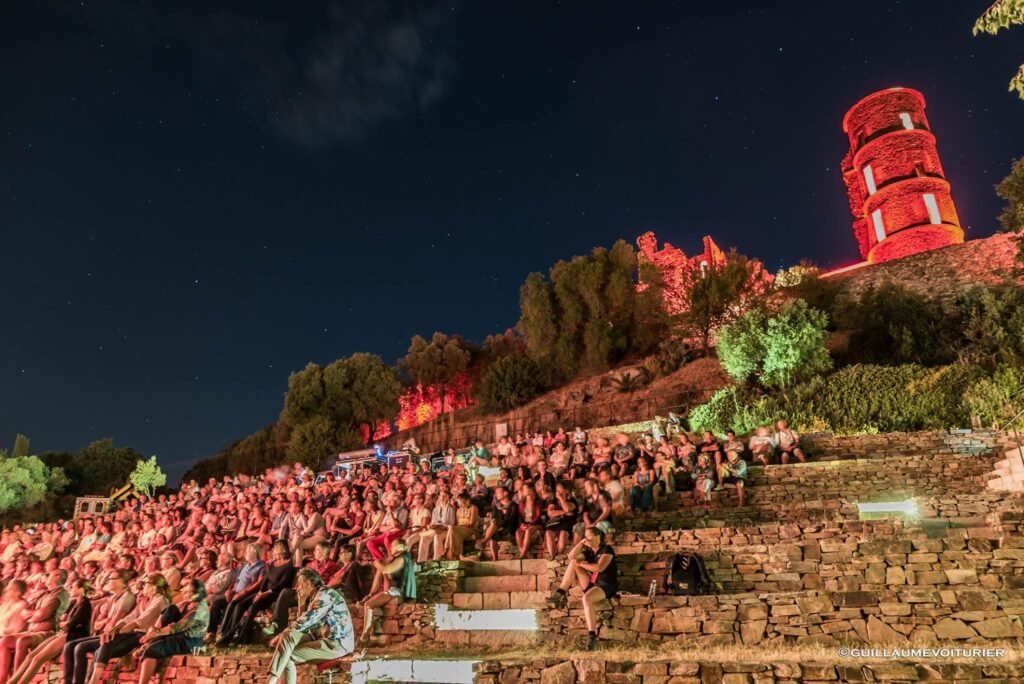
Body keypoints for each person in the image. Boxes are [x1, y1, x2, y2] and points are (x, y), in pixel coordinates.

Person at [266, 568, 354, 684]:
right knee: (288, 639)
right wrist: (301, 603)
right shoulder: (316, 595)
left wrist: (279, 636)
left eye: (299, 584)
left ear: (308, 583)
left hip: (336, 643)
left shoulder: (324, 596)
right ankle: (271, 680)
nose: (297, 587)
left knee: (287, 654)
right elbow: (305, 627)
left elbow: (304, 623)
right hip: (320, 637)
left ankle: (271, 681)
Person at [84, 573, 173, 684]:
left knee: (108, 640)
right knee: (104, 644)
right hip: (135, 633)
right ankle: (90, 680)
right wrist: (115, 628)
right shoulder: (145, 600)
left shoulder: (161, 600)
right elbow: (130, 617)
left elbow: (140, 620)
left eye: (145, 583)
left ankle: (93, 681)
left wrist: (118, 631)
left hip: (147, 636)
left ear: (154, 586)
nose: (142, 586)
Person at [7, 579, 91, 684]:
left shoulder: (85, 604)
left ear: (81, 589)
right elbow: (63, 620)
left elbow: (69, 624)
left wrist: (65, 623)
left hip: (73, 636)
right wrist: (64, 622)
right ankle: (11, 682)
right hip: (63, 633)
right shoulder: (74, 602)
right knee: (31, 656)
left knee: (38, 659)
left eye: (73, 587)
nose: (70, 588)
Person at [546, 527, 617, 650]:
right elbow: (571, 556)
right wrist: (580, 543)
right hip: (593, 584)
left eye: (589, 536)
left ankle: (592, 637)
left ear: (598, 537)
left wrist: (581, 564)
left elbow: (599, 568)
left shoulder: (607, 549)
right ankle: (560, 593)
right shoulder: (589, 552)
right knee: (573, 563)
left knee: (586, 598)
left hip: (606, 585)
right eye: (585, 537)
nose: (587, 539)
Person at [62, 571, 135, 684]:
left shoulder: (128, 597)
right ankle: (67, 681)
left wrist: (104, 623)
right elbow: (97, 623)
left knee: (79, 647)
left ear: (121, 582)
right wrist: (104, 622)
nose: (107, 581)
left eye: (111, 578)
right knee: (69, 645)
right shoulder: (113, 597)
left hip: (116, 636)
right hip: (104, 633)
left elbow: (114, 622)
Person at [218, 540, 295, 646]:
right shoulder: (273, 563)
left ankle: (242, 639)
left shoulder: (289, 565)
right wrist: (260, 592)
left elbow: (282, 585)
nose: (273, 550)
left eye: (276, 548)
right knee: (240, 605)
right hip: (264, 592)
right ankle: (229, 634)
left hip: (275, 593)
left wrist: (264, 593)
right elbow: (265, 581)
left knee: (252, 608)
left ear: (282, 549)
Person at [135, 579, 210, 684]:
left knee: (151, 650)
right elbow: (168, 614)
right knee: (171, 608)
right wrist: (153, 630)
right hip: (178, 636)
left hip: (189, 642)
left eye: (187, 592)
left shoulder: (200, 610)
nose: (183, 592)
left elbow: (176, 627)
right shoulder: (186, 604)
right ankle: (151, 641)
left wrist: (152, 635)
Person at [0, 568, 67, 683]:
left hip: (49, 632)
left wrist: (33, 616)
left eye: (49, 574)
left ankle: (17, 680)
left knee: (22, 641)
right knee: (5, 641)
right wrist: (34, 615)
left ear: (57, 577)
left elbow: (42, 613)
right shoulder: (45, 594)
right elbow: (25, 612)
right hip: (33, 630)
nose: (46, 577)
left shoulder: (60, 593)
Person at [358, 540, 413, 640]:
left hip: (400, 591)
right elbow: (383, 571)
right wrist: (385, 561)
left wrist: (376, 563)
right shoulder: (396, 559)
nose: (390, 548)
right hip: (393, 589)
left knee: (369, 605)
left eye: (392, 546)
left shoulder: (403, 558)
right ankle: (371, 594)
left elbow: (386, 570)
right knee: (370, 601)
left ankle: (364, 637)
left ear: (398, 547)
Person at [445, 493, 478, 560]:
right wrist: (457, 526)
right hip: (460, 529)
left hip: (470, 529)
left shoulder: (473, 508)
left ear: (464, 500)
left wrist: (459, 526)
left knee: (452, 529)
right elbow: (457, 523)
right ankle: (458, 555)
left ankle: (447, 551)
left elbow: (472, 523)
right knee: (453, 530)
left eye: (459, 500)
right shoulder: (458, 510)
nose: (457, 502)